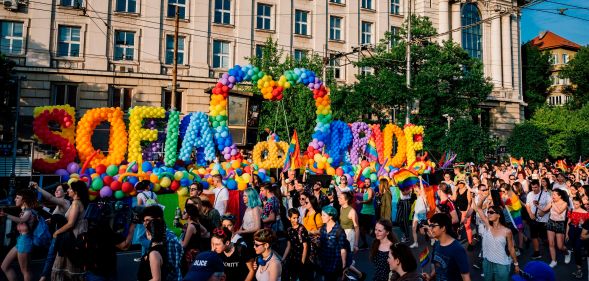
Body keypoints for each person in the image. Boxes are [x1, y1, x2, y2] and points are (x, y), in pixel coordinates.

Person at [83, 204, 136, 281]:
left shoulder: (86, 229)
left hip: (92, 271)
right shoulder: (106, 230)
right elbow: (124, 246)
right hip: (105, 272)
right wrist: (133, 226)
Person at [474, 195, 519, 281]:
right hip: (487, 262)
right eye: (488, 212)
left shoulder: (507, 231)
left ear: (498, 215)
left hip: (501, 264)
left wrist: (516, 264)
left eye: (491, 212)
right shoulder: (488, 226)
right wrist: (483, 198)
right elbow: (478, 208)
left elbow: (511, 248)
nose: (488, 214)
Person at [52, 181, 89, 281]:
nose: (68, 190)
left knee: (70, 269)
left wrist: (57, 232)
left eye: (70, 189)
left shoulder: (76, 203)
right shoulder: (78, 202)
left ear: (76, 192)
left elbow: (70, 223)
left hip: (73, 238)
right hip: (75, 237)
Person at [34, 182, 71, 281]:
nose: (56, 191)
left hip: (61, 235)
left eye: (59, 189)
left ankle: (44, 278)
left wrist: (37, 188)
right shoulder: (60, 204)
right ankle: (46, 277)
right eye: (56, 189)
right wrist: (51, 220)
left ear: (65, 193)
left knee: (52, 257)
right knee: (53, 257)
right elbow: (60, 217)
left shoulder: (64, 202)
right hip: (59, 235)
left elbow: (50, 197)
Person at [0, 188, 37, 281]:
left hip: (25, 242)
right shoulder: (24, 211)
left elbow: (22, 220)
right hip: (20, 241)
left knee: (25, 271)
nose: (15, 199)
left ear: (23, 200)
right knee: (4, 266)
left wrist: (6, 215)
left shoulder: (28, 212)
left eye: (17, 197)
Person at [422, 213, 470, 281]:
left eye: (433, 226)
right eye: (430, 226)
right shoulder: (437, 244)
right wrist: (430, 276)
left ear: (443, 228)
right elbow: (438, 267)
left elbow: (466, 277)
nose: (430, 229)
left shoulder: (457, 249)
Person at [142, 205, 184, 281]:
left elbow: (173, 267)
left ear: (158, 219)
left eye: (148, 220)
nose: (145, 224)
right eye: (144, 221)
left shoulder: (169, 238)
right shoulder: (156, 237)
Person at [541, 188, 570, 267]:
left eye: (554, 194)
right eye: (552, 194)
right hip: (551, 222)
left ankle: (567, 252)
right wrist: (538, 205)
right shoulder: (551, 202)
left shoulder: (565, 203)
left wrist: (552, 204)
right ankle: (554, 261)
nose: (552, 196)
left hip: (560, 224)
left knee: (560, 246)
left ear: (560, 196)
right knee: (551, 243)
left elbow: (559, 211)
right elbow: (544, 210)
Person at [319, 205, 348, 281]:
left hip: (334, 264)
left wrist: (344, 266)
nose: (321, 217)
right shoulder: (323, 228)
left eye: (324, 215)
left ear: (330, 217)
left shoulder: (339, 230)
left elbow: (343, 249)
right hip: (324, 262)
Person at [525, 180, 550, 259]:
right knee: (534, 236)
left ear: (539, 186)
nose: (534, 189)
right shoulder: (529, 194)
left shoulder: (546, 194)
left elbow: (550, 205)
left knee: (544, 237)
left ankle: (550, 249)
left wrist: (545, 212)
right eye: (532, 187)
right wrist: (530, 214)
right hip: (533, 218)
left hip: (543, 219)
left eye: (535, 187)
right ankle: (537, 252)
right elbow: (527, 205)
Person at [282, 208, 310, 281]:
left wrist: (302, 262)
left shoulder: (301, 229)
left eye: (297, 218)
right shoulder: (289, 230)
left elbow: (305, 246)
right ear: (289, 218)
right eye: (294, 218)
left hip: (301, 258)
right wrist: (283, 258)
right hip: (293, 258)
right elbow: (288, 245)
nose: (296, 220)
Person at [566, 197, 589, 278]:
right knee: (574, 248)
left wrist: (582, 224)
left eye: (577, 204)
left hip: (580, 232)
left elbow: (587, 227)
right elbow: (568, 223)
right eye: (574, 203)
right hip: (572, 231)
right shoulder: (571, 210)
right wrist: (566, 234)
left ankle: (579, 269)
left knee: (577, 249)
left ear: (580, 203)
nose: (575, 205)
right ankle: (579, 267)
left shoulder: (586, 213)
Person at [180, 203, 206, 275]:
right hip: (197, 252)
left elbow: (184, 245)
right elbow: (205, 231)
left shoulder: (191, 226)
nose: (182, 213)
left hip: (191, 254)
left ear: (189, 215)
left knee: (191, 274)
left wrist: (177, 242)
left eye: (184, 212)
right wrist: (197, 237)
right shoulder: (196, 223)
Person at [452, 180, 473, 249]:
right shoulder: (457, 191)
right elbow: (454, 199)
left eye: (461, 183)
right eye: (458, 183)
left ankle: (470, 243)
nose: (459, 184)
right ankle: (457, 241)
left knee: (467, 227)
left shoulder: (467, 191)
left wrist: (466, 213)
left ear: (464, 183)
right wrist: (455, 190)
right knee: (457, 227)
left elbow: (469, 203)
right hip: (458, 212)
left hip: (465, 211)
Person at [411, 177, 429, 248]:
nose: (415, 189)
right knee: (413, 228)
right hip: (416, 214)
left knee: (422, 232)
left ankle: (433, 237)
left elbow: (422, 189)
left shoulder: (423, 195)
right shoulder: (417, 197)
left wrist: (421, 180)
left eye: (416, 188)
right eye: (414, 188)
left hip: (421, 214)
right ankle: (415, 243)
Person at [358, 178, 376, 247]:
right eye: (365, 182)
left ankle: (379, 240)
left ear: (370, 183)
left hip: (369, 213)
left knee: (367, 230)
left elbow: (369, 199)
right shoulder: (365, 190)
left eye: (368, 182)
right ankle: (365, 244)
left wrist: (360, 202)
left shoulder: (370, 189)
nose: (366, 183)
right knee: (362, 229)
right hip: (363, 212)